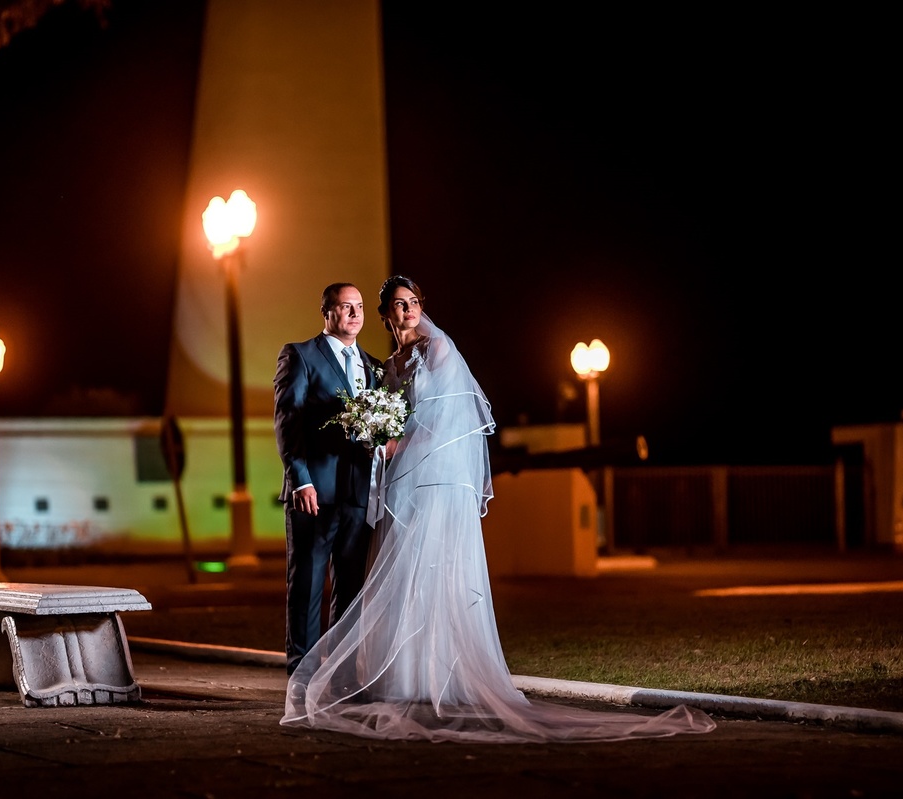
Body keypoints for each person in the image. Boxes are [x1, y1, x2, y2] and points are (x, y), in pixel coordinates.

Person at [281, 275, 717, 743]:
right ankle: (343, 675)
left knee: (403, 576)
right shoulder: (366, 363)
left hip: (428, 480)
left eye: (411, 302)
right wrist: (327, 466)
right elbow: (294, 419)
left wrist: (396, 445)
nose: (406, 311)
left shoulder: (434, 351)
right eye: (397, 305)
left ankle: (417, 674)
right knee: (362, 577)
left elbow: (448, 417)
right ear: (384, 314)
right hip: (373, 487)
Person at [274, 282, 384, 676]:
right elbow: (288, 421)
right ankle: (302, 676)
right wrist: (300, 479)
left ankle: (340, 675)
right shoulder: (300, 355)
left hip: (358, 493)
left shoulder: (374, 366)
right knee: (306, 585)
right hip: (314, 493)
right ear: (327, 312)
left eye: (360, 307)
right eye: (345, 306)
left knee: (351, 590)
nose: (355, 314)